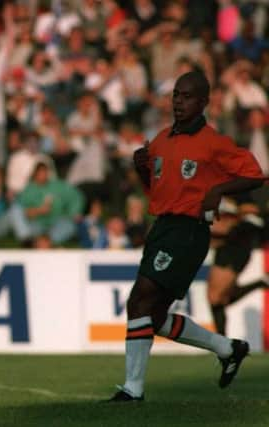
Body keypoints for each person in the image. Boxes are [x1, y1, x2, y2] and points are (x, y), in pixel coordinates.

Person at [108, 71, 265, 402]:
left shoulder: (214, 143)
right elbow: (157, 193)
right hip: (163, 228)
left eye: (187, 96)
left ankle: (133, 389)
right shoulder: (162, 139)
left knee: (139, 299)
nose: (179, 102)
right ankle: (227, 348)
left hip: (189, 231)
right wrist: (141, 170)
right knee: (152, 315)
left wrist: (218, 190)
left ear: (204, 102)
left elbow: (255, 175)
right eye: (176, 95)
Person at [208, 200, 268, 335]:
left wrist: (236, 211)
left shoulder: (247, 191)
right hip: (229, 247)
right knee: (220, 299)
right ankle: (221, 343)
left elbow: (250, 210)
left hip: (235, 248)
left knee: (215, 298)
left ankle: (221, 343)